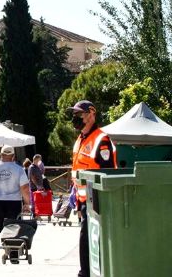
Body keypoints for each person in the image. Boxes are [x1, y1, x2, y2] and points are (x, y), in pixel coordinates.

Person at [69, 100, 117, 277]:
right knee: (87, 239)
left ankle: (86, 273)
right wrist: (77, 203)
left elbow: (107, 173)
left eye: (79, 114)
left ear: (91, 114)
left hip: (97, 199)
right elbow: (76, 173)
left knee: (89, 239)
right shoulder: (80, 140)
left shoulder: (101, 139)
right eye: (74, 114)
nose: (75, 118)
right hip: (83, 200)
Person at [0, 145, 31, 264]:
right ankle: (13, 254)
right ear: (13, 156)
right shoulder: (19, 169)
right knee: (13, 227)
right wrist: (27, 203)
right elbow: (24, 188)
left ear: (1, 155)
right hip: (13, 202)